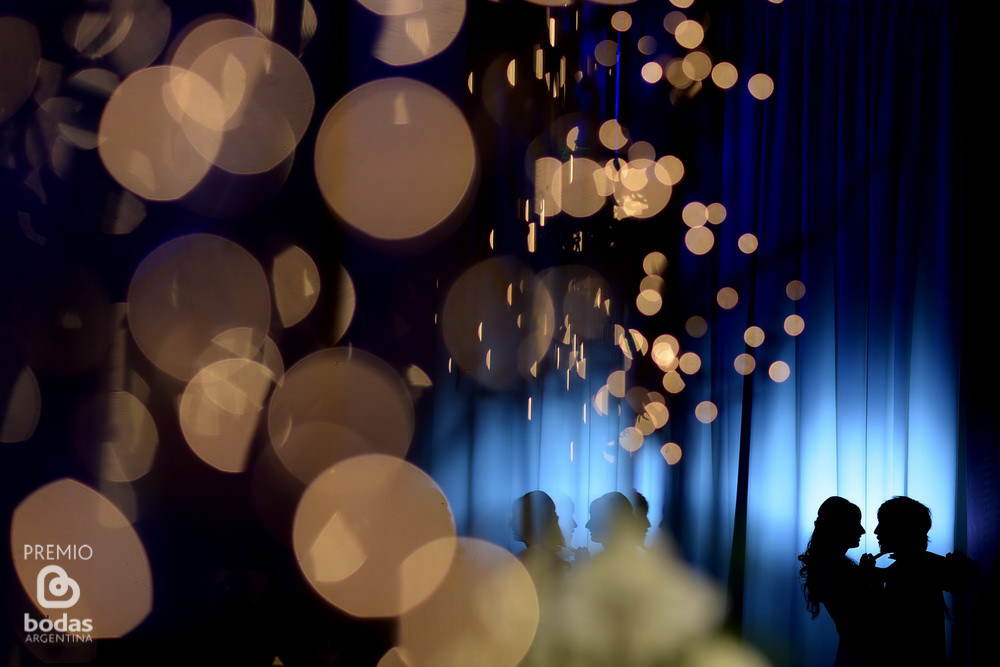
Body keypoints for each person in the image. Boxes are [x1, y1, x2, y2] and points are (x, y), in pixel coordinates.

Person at [873, 496, 976, 665]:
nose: (876, 531)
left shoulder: (922, 567)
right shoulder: (920, 566)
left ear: (903, 529)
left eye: (883, 523)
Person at [798, 496, 881, 666]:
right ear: (838, 527)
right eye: (855, 524)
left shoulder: (829, 566)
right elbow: (865, 618)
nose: (863, 531)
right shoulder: (836, 570)